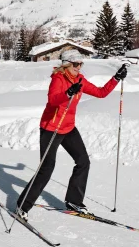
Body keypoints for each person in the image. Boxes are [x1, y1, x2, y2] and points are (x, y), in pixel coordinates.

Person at [15, 49, 127, 221]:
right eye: (75, 64)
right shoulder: (58, 79)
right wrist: (67, 94)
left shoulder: (80, 80)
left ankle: (74, 201)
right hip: (51, 127)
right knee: (46, 169)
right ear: (66, 64)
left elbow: (101, 93)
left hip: (68, 128)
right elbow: (52, 100)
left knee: (83, 162)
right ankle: (22, 206)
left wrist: (116, 78)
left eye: (81, 63)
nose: (79, 67)